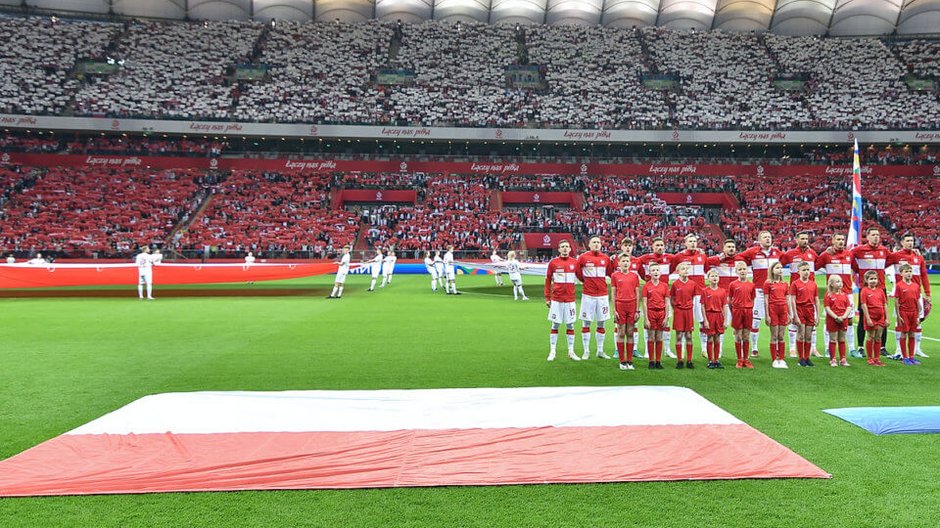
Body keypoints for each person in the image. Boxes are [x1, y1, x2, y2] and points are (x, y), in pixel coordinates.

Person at [849, 227, 895, 358]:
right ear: (867, 237)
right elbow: (849, 259)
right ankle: (861, 347)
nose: (876, 237)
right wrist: (858, 270)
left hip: (881, 288)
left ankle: (882, 347)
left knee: (882, 317)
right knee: (864, 317)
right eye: (873, 235)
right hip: (865, 289)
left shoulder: (884, 250)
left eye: (878, 235)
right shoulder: (859, 250)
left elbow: (893, 259)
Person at [736, 231, 783, 358]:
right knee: (755, 321)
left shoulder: (777, 252)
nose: (768, 239)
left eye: (769, 237)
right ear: (759, 240)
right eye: (765, 237)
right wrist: (746, 265)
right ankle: (755, 348)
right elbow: (738, 257)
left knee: (775, 321)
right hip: (758, 290)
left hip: (774, 291)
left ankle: (777, 347)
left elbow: (786, 259)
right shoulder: (753, 252)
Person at [816, 233, 857, 357]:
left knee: (849, 320)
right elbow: (814, 266)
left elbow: (856, 268)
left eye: (842, 239)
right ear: (833, 240)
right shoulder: (826, 255)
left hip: (847, 293)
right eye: (838, 239)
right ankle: (829, 348)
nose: (841, 241)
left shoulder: (849, 254)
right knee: (829, 321)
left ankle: (852, 348)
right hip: (832, 294)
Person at [890, 233, 930, 358]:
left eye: (912, 241)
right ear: (902, 242)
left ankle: (917, 349)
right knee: (899, 322)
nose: (910, 243)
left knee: (918, 322)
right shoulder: (895, 256)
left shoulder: (919, 257)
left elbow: (924, 275)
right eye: (907, 241)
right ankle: (898, 350)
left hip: (916, 294)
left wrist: (927, 293)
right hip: (902, 294)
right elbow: (881, 264)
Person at [781, 231, 820, 358]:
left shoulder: (812, 253)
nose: (805, 241)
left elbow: (819, 264)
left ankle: (813, 348)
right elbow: (777, 265)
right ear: (796, 240)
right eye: (802, 238)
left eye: (806, 239)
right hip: (795, 293)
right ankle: (792, 348)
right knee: (794, 322)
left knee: (811, 325)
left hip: (810, 292)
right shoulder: (790, 254)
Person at [575, 236, 615, 360]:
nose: (596, 244)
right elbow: (578, 273)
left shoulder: (605, 258)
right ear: (589, 245)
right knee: (586, 322)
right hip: (588, 295)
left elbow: (610, 272)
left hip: (602, 295)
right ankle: (586, 351)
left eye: (598, 242)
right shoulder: (583, 258)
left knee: (601, 323)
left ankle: (600, 350)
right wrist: (586, 282)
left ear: (601, 245)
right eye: (594, 242)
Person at [672, 234, 709, 358]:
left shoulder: (702, 255)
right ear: (685, 243)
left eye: (695, 241)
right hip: (685, 294)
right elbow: (671, 268)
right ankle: (681, 349)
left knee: (702, 321)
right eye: (690, 241)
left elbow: (707, 269)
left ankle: (704, 349)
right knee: (683, 324)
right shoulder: (679, 256)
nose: (693, 243)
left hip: (699, 293)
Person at [637, 237, 675, 358]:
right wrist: (645, 278)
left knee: (666, 324)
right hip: (651, 293)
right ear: (652, 247)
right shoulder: (646, 258)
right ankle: (648, 351)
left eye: (661, 245)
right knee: (648, 325)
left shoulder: (669, 258)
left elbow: (678, 262)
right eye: (657, 245)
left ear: (664, 247)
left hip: (663, 293)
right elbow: (635, 263)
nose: (659, 247)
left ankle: (667, 349)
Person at [545, 240, 579, 361]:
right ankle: (552, 351)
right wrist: (547, 298)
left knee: (570, 325)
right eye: (562, 247)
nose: (565, 249)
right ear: (559, 249)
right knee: (555, 324)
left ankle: (571, 351)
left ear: (570, 249)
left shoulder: (575, 263)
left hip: (570, 299)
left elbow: (582, 276)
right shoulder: (553, 263)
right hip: (557, 300)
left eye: (567, 247)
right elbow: (548, 280)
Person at [613, 237, 644, 357]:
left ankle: (634, 349)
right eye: (625, 245)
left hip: (632, 300)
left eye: (629, 245)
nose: (627, 247)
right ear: (621, 247)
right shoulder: (614, 260)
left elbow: (643, 275)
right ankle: (617, 349)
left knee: (633, 326)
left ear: (632, 247)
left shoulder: (638, 261)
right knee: (618, 327)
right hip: (621, 300)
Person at [611, 253, 642, 370]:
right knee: (621, 333)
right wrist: (614, 310)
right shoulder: (615, 276)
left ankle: (630, 360)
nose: (625, 263)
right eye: (623, 261)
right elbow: (613, 293)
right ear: (619, 263)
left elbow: (637, 293)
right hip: (620, 306)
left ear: (630, 263)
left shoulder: (634, 276)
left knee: (630, 333)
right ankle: (622, 361)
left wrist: (637, 310)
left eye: (627, 261)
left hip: (632, 306)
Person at [670, 261, 700, 369]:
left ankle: (689, 360)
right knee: (678, 335)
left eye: (687, 269)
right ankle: (679, 360)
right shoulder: (675, 284)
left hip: (688, 311)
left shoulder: (693, 284)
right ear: (678, 272)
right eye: (683, 269)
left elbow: (694, 298)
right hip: (679, 311)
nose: (686, 271)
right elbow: (672, 298)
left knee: (688, 335)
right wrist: (675, 308)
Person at [788, 262, 818, 367]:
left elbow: (816, 300)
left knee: (808, 336)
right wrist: (795, 315)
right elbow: (792, 300)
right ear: (798, 271)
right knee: (801, 335)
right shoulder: (795, 284)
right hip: (800, 310)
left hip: (810, 310)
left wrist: (817, 315)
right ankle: (801, 358)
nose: (806, 272)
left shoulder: (813, 284)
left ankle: (807, 357)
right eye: (804, 270)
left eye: (807, 270)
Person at [641, 262, 671, 369]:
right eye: (653, 270)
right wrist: (646, 318)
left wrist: (666, 316)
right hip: (651, 312)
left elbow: (667, 302)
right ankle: (651, 361)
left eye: (657, 270)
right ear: (649, 273)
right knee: (651, 337)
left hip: (661, 313)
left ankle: (658, 361)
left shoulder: (664, 286)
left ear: (660, 272)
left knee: (659, 337)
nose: (655, 272)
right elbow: (644, 303)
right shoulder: (646, 286)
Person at [729, 261, 757, 369]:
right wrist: (733, 312)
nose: (742, 271)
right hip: (737, 310)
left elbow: (753, 298)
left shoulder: (751, 285)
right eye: (740, 269)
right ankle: (739, 359)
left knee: (746, 336)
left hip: (748, 311)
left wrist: (749, 308)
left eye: (744, 269)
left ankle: (746, 359)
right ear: (736, 271)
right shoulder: (733, 284)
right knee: (738, 336)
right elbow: (729, 299)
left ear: (747, 271)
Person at [894, 263, 924, 365]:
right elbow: (896, 302)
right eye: (906, 271)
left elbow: (917, 300)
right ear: (901, 273)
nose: (909, 273)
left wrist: (920, 314)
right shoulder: (899, 286)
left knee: (912, 333)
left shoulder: (916, 286)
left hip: (914, 312)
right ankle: (905, 357)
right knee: (904, 333)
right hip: (904, 312)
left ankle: (911, 356)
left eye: (910, 271)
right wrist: (898, 316)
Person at [701, 269, 730, 369]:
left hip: (719, 316)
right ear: (708, 278)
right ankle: (710, 360)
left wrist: (726, 320)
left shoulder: (722, 291)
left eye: (716, 276)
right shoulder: (705, 291)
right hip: (710, 316)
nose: (714, 278)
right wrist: (705, 320)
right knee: (710, 337)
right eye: (712, 276)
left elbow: (724, 306)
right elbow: (703, 306)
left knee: (717, 338)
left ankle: (716, 360)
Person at [764, 261, 790, 368]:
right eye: (777, 268)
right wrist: (767, 315)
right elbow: (766, 300)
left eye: (781, 268)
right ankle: (774, 359)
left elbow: (787, 299)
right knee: (774, 335)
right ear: (772, 270)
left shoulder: (785, 284)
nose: (780, 270)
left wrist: (789, 313)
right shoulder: (768, 283)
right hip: (773, 310)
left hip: (783, 310)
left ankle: (782, 359)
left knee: (781, 335)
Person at [859, 270, 888, 367]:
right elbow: (864, 305)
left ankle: (877, 358)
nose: (873, 281)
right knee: (870, 336)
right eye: (871, 279)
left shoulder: (880, 290)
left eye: (875, 279)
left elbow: (885, 304)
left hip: (880, 317)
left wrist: (886, 318)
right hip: (871, 317)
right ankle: (870, 358)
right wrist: (867, 318)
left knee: (878, 337)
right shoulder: (864, 291)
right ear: (866, 280)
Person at [823, 275, 853, 367]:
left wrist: (844, 317)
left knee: (842, 339)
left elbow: (848, 307)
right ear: (831, 284)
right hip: (833, 320)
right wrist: (836, 317)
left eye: (841, 282)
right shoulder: (828, 295)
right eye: (838, 282)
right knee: (833, 339)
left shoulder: (844, 295)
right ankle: (833, 359)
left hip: (843, 319)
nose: (840, 284)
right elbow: (827, 308)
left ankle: (843, 359)